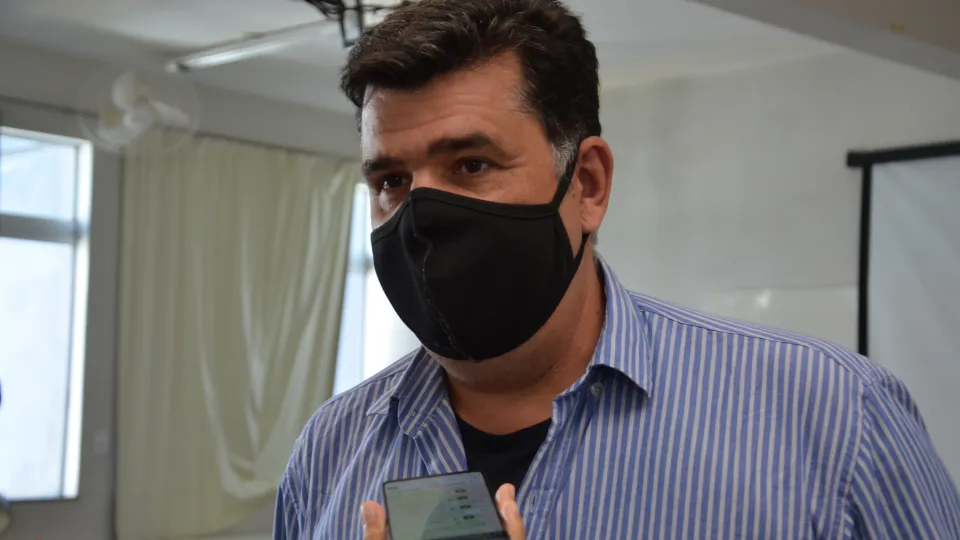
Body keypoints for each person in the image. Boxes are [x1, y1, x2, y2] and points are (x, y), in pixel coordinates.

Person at [274, 0, 960, 538]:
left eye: (472, 165)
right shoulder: (330, 451)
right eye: (392, 181)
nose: (422, 216)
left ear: (588, 185)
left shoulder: (836, 420)